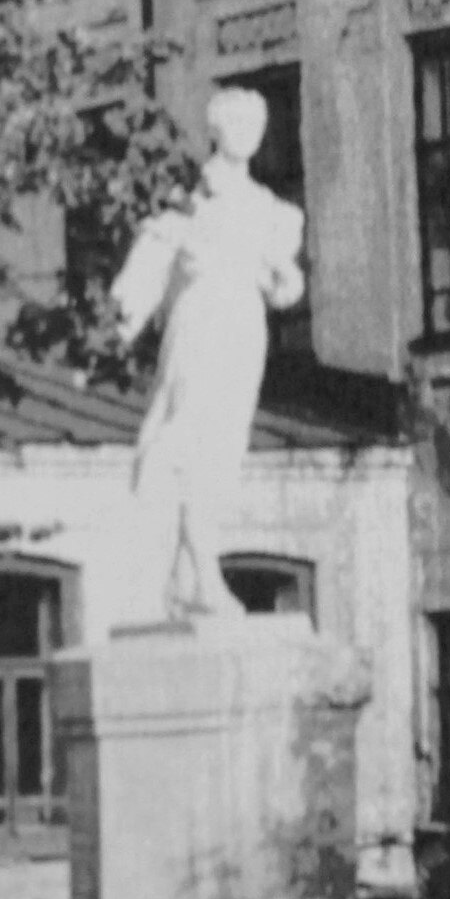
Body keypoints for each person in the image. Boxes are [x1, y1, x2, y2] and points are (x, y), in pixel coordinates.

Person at [110, 88, 304, 623]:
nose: (247, 134)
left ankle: (187, 577)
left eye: (254, 125)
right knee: (190, 444)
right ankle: (201, 573)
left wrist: (283, 274)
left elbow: (284, 290)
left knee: (224, 451)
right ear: (215, 131)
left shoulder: (269, 209)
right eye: (235, 124)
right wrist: (112, 330)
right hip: (200, 322)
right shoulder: (188, 203)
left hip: (244, 328)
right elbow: (144, 273)